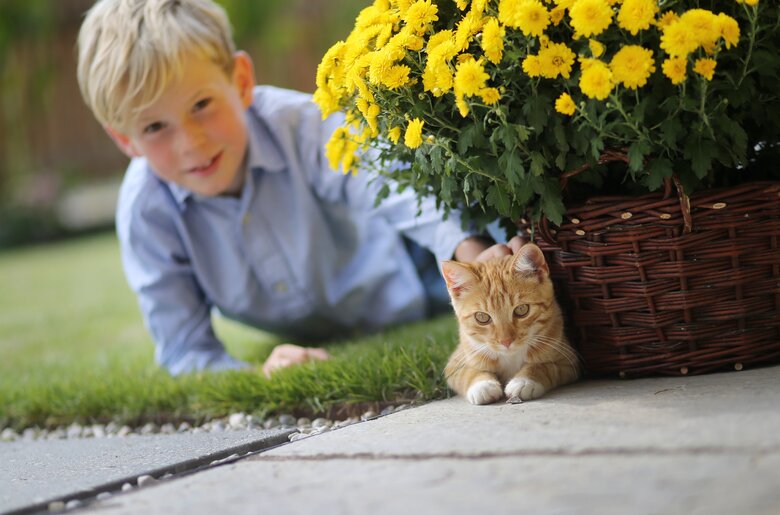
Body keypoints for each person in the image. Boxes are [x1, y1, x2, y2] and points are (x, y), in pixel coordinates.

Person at [76, 0, 521, 376]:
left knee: (509, 247)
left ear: (242, 81)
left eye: (202, 105)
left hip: (413, 264)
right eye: (155, 126)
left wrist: (465, 248)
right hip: (320, 322)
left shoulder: (298, 125)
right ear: (125, 140)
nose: (191, 142)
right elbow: (185, 351)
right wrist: (257, 374)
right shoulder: (146, 213)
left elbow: (383, 182)